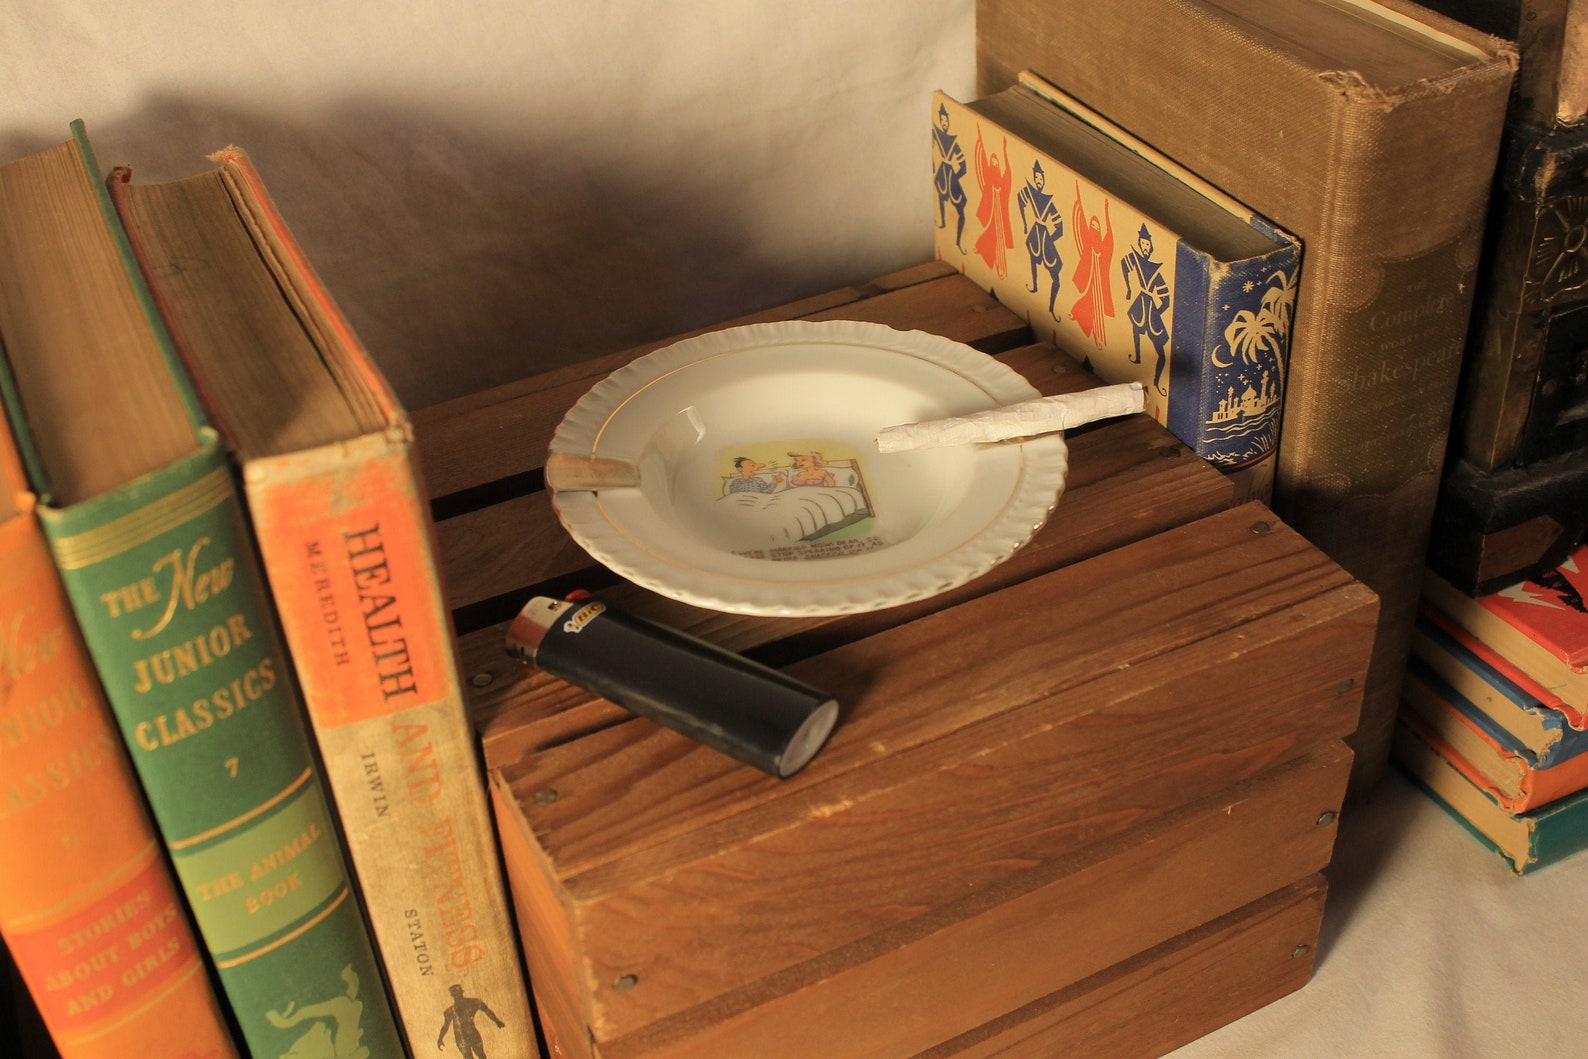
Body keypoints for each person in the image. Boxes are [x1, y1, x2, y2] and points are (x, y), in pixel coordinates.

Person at [1121, 223, 1170, 394]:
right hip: (1141, 303)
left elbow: (1166, 299)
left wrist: (1157, 313)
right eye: (1143, 243)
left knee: (1161, 353)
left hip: (1150, 307)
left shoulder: (1156, 270)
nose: (1145, 247)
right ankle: (1137, 357)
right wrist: (1128, 288)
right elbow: (1124, 264)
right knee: (1135, 329)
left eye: (1147, 244)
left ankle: (1157, 382)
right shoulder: (1135, 259)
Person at [1069, 181, 1115, 349]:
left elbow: (1110, 238)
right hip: (1090, 281)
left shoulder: (1103, 247)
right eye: (1093, 226)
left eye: (1097, 227)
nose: (1095, 230)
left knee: (1098, 309)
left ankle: (1095, 333)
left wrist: (1107, 214)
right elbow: (1081, 223)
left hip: (1099, 283)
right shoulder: (1088, 244)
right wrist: (1079, 199)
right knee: (1087, 304)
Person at [1017, 159, 1064, 319]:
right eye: (1036, 178)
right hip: (1036, 233)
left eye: (1040, 178)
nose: (1039, 181)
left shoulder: (1048, 201)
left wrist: (1051, 239)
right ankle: (1035, 286)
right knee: (1033, 258)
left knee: (1056, 272)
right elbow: (1020, 199)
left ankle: (1051, 307)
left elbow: (1060, 226)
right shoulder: (1030, 193)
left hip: (1043, 235)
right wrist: (1025, 223)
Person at [973, 130, 1014, 278]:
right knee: (991, 236)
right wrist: (980, 142)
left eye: (997, 164)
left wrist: (1005, 152)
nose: (995, 166)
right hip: (992, 215)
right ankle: (982, 247)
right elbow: (983, 165)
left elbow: (1008, 173)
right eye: (993, 164)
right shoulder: (990, 182)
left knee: (1000, 244)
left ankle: (1001, 268)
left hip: (1001, 218)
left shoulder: (1002, 183)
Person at [933, 104, 968, 253]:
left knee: (961, 210)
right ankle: (942, 223)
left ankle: (958, 242)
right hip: (943, 173)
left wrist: (955, 177)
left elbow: (964, 165)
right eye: (942, 121)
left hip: (949, 174)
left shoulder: (954, 142)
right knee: (940, 196)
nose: (944, 124)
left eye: (946, 121)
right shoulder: (937, 134)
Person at [436, 984, 504, 1059]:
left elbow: (486, 1010)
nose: (457, 996)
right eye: (455, 994)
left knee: (481, 1055)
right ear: (453, 996)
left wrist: (497, 1021)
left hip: (470, 1034)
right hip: (461, 1037)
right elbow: (445, 1026)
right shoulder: (451, 1011)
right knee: (472, 1056)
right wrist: (440, 1039)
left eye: (458, 993)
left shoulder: (472, 1003)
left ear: (461, 993)